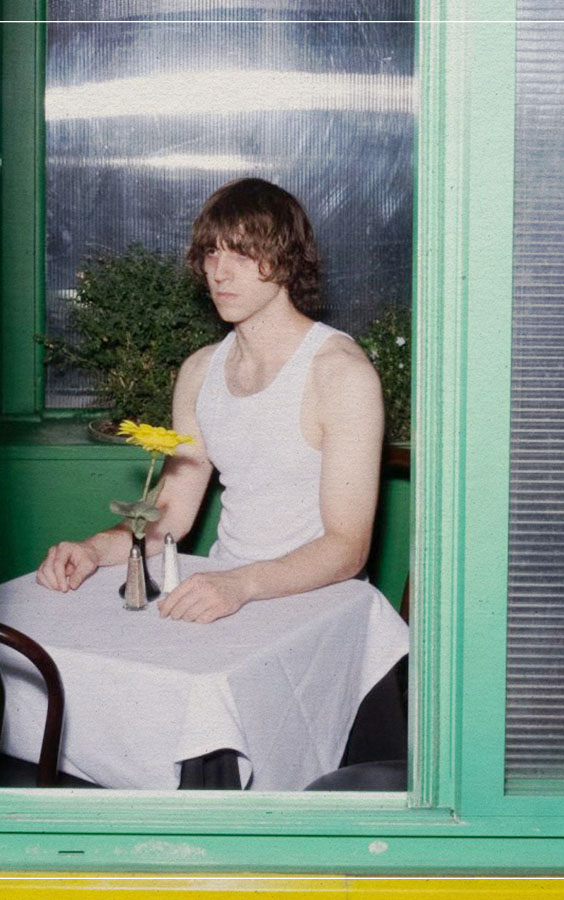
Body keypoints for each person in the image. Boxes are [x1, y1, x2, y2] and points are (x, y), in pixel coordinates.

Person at [36, 177, 385, 623]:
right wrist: (92, 548)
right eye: (212, 253)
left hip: (318, 602)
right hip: (225, 585)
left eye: (242, 254)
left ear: (287, 260)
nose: (220, 272)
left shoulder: (340, 373)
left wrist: (241, 584)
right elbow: (171, 512)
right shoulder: (200, 371)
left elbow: (347, 548)